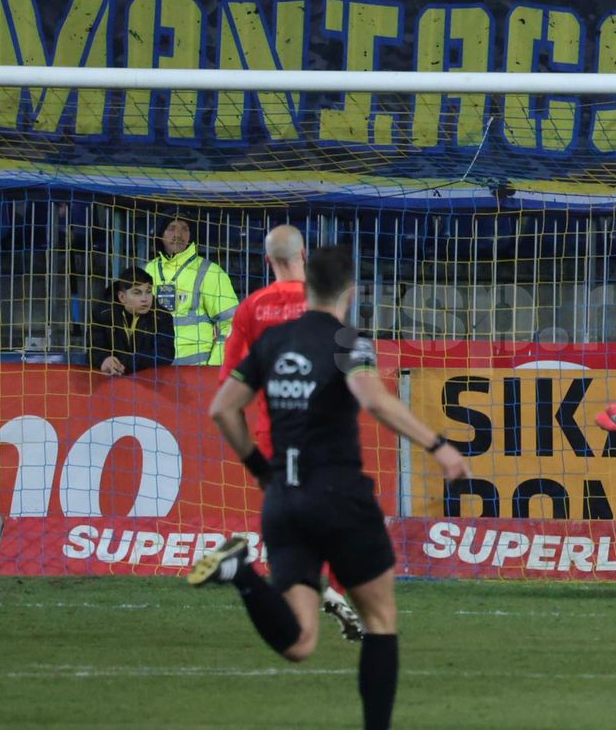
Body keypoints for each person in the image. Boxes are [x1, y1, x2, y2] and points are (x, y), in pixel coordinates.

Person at [190, 244, 470, 730]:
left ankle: (240, 571)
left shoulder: (271, 343)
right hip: (339, 496)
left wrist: (260, 468)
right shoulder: (348, 340)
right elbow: (373, 399)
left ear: (307, 289)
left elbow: (222, 408)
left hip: (284, 500)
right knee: (381, 621)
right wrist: (439, 444)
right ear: (350, 291)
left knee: (300, 641)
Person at [220, 223, 365, 643]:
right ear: (304, 256)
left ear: (267, 260)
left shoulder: (251, 307)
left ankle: (309, 589)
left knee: (295, 516)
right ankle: (338, 589)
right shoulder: (321, 300)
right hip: (326, 428)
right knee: (340, 509)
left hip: (275, 430)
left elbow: (231, 383)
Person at [144, 211, 238, 366]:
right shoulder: (147, 270)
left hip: (197, 375)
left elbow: (232, 324)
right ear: (161, 233)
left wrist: (213, 367)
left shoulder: (210, 271)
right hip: (153, 374)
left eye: (185, 229)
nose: (178, 234)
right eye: (172, 228)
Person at [89, 267, 175, 376]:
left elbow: (165, 355)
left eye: (148, 292)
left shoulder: (162, 317)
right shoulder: (102, 314)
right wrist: (104, 360)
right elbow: (93, 349)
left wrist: (125, 363)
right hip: (110, 382)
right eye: (137, 293)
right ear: (122, 297)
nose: (145, 298)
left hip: (149, 382)